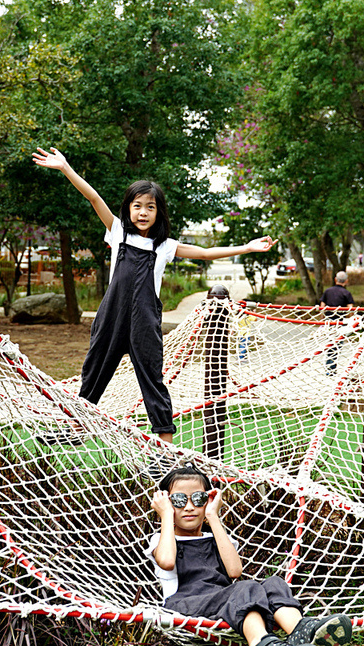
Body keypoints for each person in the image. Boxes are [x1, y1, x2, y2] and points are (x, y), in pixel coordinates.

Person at [32, 148, 275, 444]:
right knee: (92, 371)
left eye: (150, 207)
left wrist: (246, 248)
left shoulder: (165, 246)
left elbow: (204, 252)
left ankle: (165, 443)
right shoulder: (118, 232)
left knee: (152, 380)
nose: (143, 212)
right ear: (128, 208)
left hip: (144, 323)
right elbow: (94, 198)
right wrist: (67, 169)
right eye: (137, 206)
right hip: (111, 318)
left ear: (158, 212)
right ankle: (76, 429)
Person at [147, 464, 353, 646]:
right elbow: (167, 561)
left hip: (224, 602)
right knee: (246, 588)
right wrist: (166, 515)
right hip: (184, 606)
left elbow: (234, 571)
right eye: (178, 500)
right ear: (167, 503)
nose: (189, 507)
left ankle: (300, 631)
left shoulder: (215, 536)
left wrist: (213, 517)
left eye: (197, 499)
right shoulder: (163, 540)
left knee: (274, 582)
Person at [320, 271, 356, 376]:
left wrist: (322, 319)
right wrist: (351, 320)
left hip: (329, 322)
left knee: (330, 344)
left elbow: (322, 306)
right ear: (346, 281)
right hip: (340, 323)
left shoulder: (327, 291)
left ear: (335, 279)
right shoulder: (346, 294)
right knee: (337, 346)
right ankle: (331, 368)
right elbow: (350, 309)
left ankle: (330, 367)